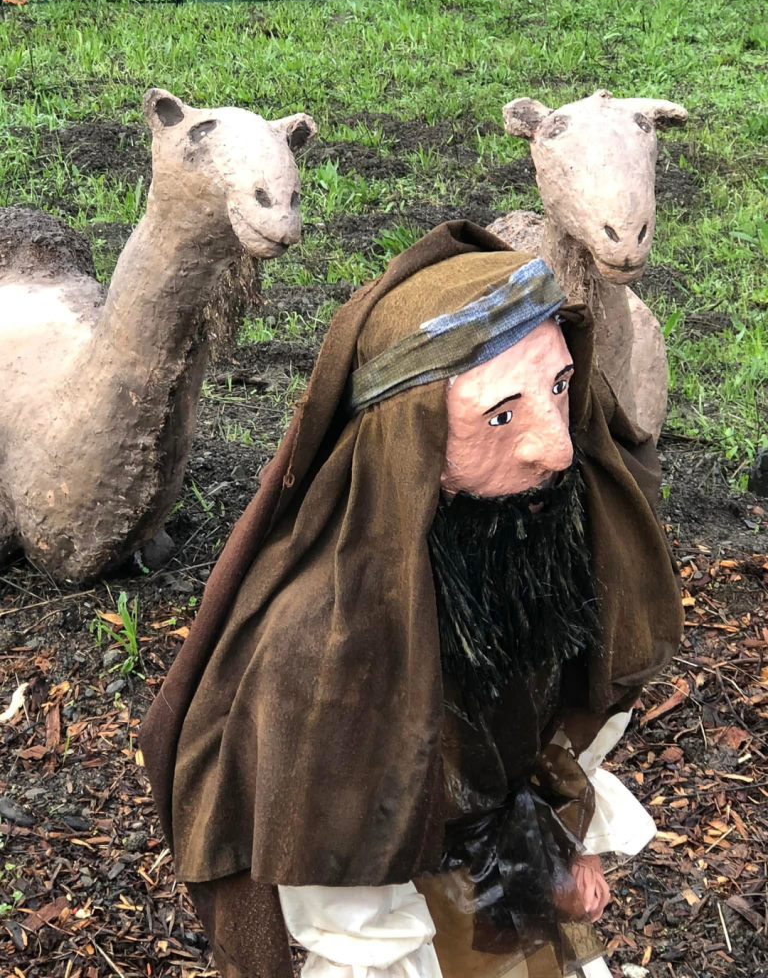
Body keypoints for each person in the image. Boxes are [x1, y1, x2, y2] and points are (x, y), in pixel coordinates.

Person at [142, 221, 683, 978]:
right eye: (501, 416)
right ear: (413, 438)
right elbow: (340, 875)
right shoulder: (321, 647)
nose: (556, 448)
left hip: (506, 881)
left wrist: (557, 849)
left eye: (560, 387)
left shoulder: (548, 533)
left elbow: (536, 729)